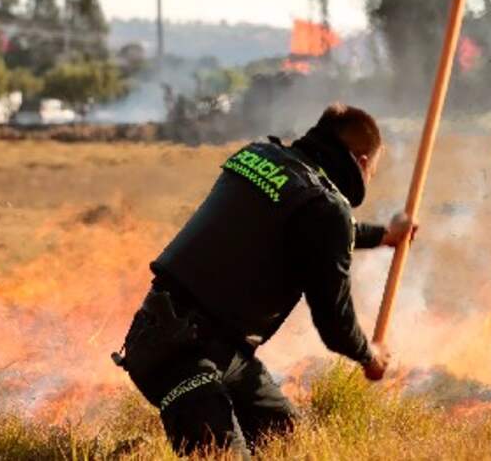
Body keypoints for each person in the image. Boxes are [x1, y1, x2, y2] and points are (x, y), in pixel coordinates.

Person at [115, 103, 416, 457]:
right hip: (180, 353)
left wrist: (384, 236)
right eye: (372, 171)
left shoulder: (261, 155)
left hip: (188, 339)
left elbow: (314, 226)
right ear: (363, 163)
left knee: (286, 441)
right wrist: (369, 356)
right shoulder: (326, 208)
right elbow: (334, 323)